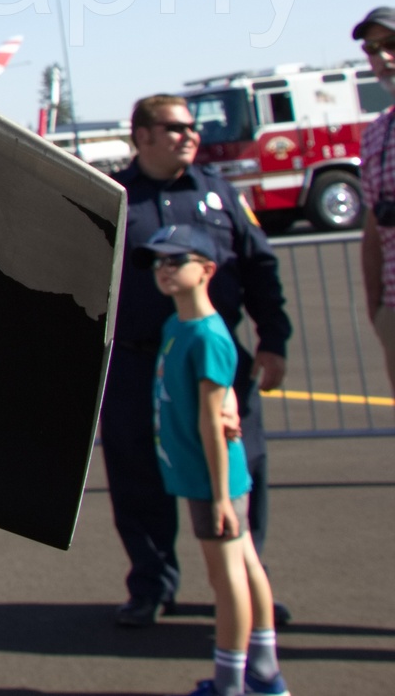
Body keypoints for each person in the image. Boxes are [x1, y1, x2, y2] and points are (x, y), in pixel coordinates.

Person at [103, 94, 291, 629]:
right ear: (140, 135)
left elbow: (260, 269)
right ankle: (151, 586)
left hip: (216, 364)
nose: (190, 136)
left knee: (237, 474)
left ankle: (247, 584)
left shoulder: (221, 195)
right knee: (138, 477)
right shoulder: (114, 199)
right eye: (175, 128)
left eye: (192, 128)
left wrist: (274, 341)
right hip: (138, 367)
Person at [143, 224, 291, 696]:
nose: (164, 269)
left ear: (206, 270)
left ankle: (231, 681)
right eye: (158, 262)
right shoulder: (176, 325)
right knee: (244, 567)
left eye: (175, 260)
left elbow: (213, 422)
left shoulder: (208, 338)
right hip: (194, 472)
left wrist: (222, 494)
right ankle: (265, 673)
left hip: (214, 480)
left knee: (226, 578)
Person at [353, 6, 395, 395]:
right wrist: (378, 311)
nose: (381, 57)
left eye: (391, 44)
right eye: (372, 49)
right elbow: (372, 227)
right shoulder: (375, 134)